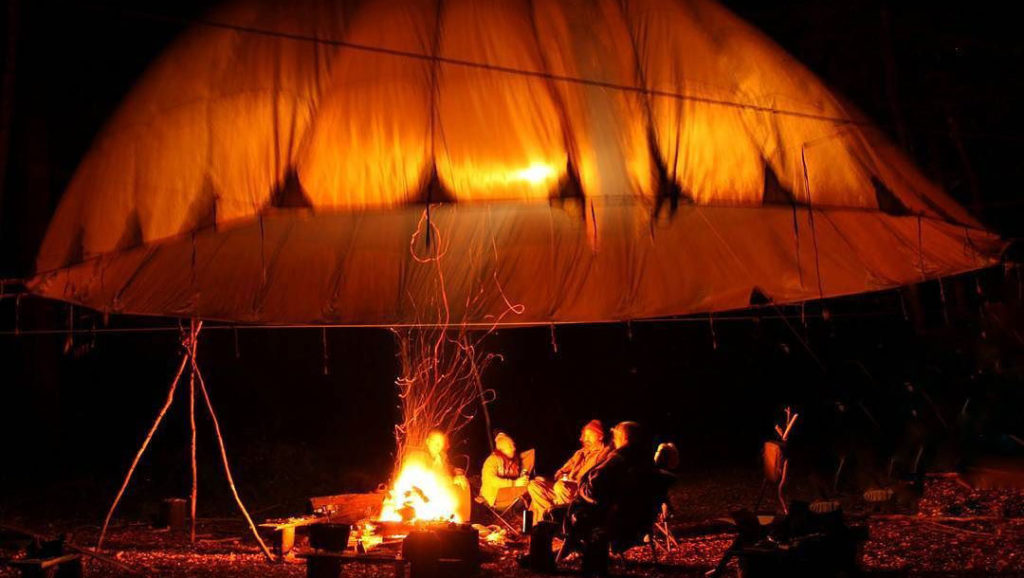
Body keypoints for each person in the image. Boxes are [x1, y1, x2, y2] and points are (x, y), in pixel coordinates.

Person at [561, 421, 660, 560]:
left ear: (624, 438)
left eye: (616, 436)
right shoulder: (646, 461)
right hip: (635, 520)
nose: (613, 440)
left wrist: (581, 489)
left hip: (609, 518)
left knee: (559, 512)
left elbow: (594, 486)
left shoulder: (618, 459)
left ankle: (568, 549)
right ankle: (568, 548)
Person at [528, 419, 610, 520]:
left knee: (560, 486)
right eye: (584, 435)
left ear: (600, 436)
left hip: (580, 493)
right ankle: (549, 518)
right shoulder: (580, 453)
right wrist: (556, 477)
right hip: (564, 488)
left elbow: (595, 481)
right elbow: (562, 471)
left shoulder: (604, 455)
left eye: (589, 435)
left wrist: (573, 481)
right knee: (534, 485)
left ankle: (559, 521)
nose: (583, 439)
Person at [424, 429, 472, 521]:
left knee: (464, 483)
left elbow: (448, 467)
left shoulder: (441, 456)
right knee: (454, 487)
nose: (439, 446)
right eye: (436, 442)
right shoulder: (421, 456)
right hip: (428, 490)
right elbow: (428, 478)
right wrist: (452, 480)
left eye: (441, 443)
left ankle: (463, 520)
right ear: (428, 441)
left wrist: (457, 472)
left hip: (443, 486)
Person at [480, 431, 529, 506]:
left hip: (509, 490)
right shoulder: (492, 460)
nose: (513, 449)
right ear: (502, 450)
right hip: (494, 495)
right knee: (530, 488)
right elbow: (492, 481)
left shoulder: (513, 460)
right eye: (510, 447)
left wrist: (522, 478)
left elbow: (516, 477)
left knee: (532, 485)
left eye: (513, 445)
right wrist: (514, 483)